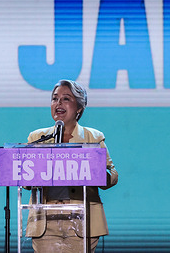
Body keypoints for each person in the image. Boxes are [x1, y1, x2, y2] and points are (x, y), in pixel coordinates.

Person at [25, 79, 118, 253]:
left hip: (82, 222)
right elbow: (26, 180)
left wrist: (96, 172)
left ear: (79, 108)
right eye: (55, 98)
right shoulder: (37, 138)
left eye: (66, 98)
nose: (58, 103)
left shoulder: (93, 137)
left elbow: (112, 175)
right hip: (46, 222)